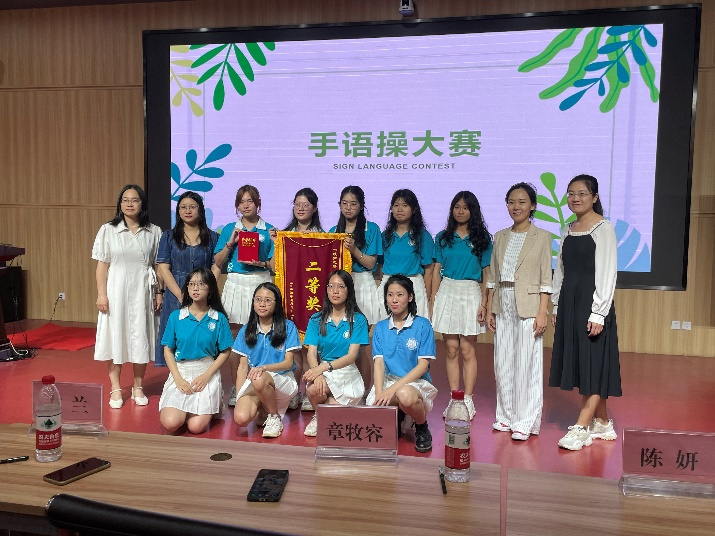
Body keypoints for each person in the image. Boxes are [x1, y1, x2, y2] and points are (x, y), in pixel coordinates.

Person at [550, 174, 621, 451]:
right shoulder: (567, 229)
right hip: (570, 303)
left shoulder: (603, 228)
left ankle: (581, 427)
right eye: (570, 193)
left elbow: (607, 272)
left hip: (592, 305)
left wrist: (599, 313)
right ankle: (601, 422)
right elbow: (561, 270)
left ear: (594, 197)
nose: (575, 198)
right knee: (586, 363)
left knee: (593, 363)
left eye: (581, 193)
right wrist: (557, 304)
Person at [486, 183, 552, 440]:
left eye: (522, 202)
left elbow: (546, 279)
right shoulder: (500, 236)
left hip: (529, 303)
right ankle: (505, 416)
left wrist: (543, 311)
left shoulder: (542, 237)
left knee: (527, 363)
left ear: (532, 206)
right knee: (502, 361)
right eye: (511, 202)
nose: (516, 207)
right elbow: (492, 276)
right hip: (502, 300)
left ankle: (525, 420)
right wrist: (490, 308)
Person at [92, 184, 163, 409]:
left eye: (135, 200)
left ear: (142, 204)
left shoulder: (154, 231)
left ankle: (138, 386)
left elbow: (158, 266)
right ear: (120, 204)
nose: (130, 204)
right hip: (117, 290)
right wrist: (101, 295)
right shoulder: (108, 230)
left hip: (143, 290)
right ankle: (115, 387)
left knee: (140, 336)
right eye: (125, 200)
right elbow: (102, 266)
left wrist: (159, 292)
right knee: (116, 336)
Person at [431, 191, 492, 420]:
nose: (460, 211)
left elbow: (487, 273)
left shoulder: (482, 239)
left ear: (473, 211)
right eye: (457, 207)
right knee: (450, 349)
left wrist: (485, 302)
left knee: (467, 349)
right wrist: (434, 299)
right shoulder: (443, 237)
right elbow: (436, 271)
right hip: (447, 290)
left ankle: (468, 399)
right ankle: (455, 398)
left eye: (465, 207)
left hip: (470, 291)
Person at [212, 185, 275, 407]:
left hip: (260, 282)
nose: (246, 205)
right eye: (241, 202)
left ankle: (261, 385)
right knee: (235, 336)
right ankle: (236, 386)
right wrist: (231, 243)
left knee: (263, 334)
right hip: (235, 283)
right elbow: (218, 262)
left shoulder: (269, 230)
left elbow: (276, 265)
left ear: (258, 203)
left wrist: (262, 262)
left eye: (250, 201)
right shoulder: (230, 228)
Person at [367, 275, 437, 452]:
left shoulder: (423, 325)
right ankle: (396, 415)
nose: (394, 300)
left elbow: (422, 366)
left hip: (415, 382)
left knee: (404, 395)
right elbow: (379, 363)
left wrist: (392, 390)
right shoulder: (380, 327)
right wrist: (379, 394)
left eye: (400, 295)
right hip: (389, 380)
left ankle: (422, 427)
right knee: (372, 405)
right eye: (390, 295)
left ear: (410, 297)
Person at [159, 268, 233, 434]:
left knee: (196, 427)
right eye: (191, 284)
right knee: (171, 423)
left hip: (206, 371)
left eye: (201, 284)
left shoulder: (218, 318)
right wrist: (178, 379)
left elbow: (225, 351)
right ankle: (189, 409)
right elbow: (168, 350)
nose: (195, 288)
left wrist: (207, 376)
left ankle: (213, 402)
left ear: (210, 288)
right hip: (181, 371)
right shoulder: (176, 316)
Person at [329, 186, 382, 401]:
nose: (348, 208)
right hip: (341, 284)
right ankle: (346, 391)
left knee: (362, 345)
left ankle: (365, 392)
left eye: (353, 203)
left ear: (361, 206)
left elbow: (371, 263)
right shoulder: (334, 230)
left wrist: (354, 250)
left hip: (362, 283)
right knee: (344, 342)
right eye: (344, 203)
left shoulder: (372, 229)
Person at [155, 192, 219, 366]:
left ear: (200, 210)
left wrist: (208, 289)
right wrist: (180, 294)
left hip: (204, 293)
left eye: (192, 207)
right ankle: (175, 376)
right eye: (183, 207)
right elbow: (163, 268)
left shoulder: (213, 237)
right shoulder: (168, 236)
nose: (187, 211)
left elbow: (216, 266)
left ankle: (203, 373)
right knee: (175, 336)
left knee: (201, 334)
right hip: (175, 293)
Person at [302, 270, 368, 437]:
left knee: (333, 411)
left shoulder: (358, 319)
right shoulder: (316, 319)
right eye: (331, 286)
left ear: (349, 290)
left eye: (340, 287)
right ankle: (319, 415)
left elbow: (351, 356)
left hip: (347, 372)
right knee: (312, 390)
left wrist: (321, 368)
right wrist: (317, 374)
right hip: (324, 372)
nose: (335, 291)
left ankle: (334, 410)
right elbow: (311, 353)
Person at [232, 283, 301, 438]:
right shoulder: (246, 330)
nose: (262, 304)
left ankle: (274, 417)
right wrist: (239, 396)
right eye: (258, 299)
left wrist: (263, 368)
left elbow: (289, 363)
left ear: (276, 304)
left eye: (268, 300)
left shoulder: (288, 327)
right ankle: (263, 406)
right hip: (257, 380)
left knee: (258, 378)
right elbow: (242, 368)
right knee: (241, 418)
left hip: (282, 379)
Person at [277, 188, 323, 412]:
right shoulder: (284, 235)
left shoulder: (324, 237)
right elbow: (274, 266)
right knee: (292, 349)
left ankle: (309, 391)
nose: (301, 208)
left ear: (314, 208)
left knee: (309, 349)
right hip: (292, 297)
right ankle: (293, 391)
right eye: (297, 204)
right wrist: (276, 244)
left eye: (306, 204)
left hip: (313, 298)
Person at [377, 189, 434, 321]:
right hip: (389, 286)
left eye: (405, 205)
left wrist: (426, 297)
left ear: (414, 209)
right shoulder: (385, 236)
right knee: (387, 327)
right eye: (396, 205)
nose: (399, 209)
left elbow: (429, 270)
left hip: (414, 286)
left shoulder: (423, 236)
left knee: (414, 328)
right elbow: (380, 266)